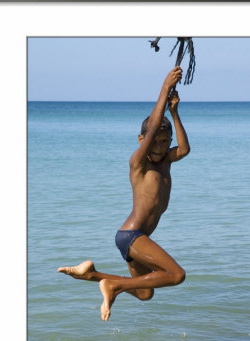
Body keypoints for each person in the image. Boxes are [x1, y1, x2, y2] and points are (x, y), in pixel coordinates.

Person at [58, 66, 190, 321]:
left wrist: (175, 113)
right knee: (176, 275)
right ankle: (113, 286)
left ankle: (91, 274)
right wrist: (164, 89)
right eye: (156, 141)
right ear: (142, 140)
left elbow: (183, 149)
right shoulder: (138, 163)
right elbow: (152, 129)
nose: (162, 147)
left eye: (165, 142)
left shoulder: (165, 162)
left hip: (134, 239)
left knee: (144, 294)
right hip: (132, 236)